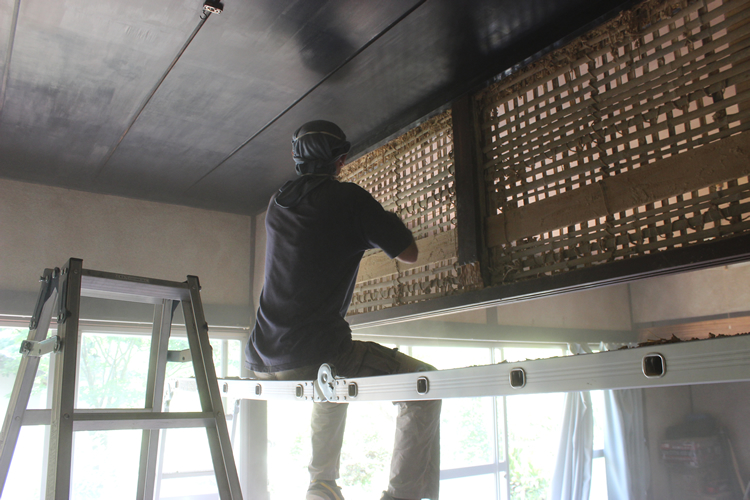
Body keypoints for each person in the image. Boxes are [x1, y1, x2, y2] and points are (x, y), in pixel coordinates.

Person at [245, 120, 441, 500]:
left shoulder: (277, 202)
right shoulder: (350, 200)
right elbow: (409, 253)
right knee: (425, 384)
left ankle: (322, 484)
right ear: (341, 160)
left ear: (295, 157)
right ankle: (401, 496)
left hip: (262, 356)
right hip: (312, 352)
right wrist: (382, 220)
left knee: (329, 377)